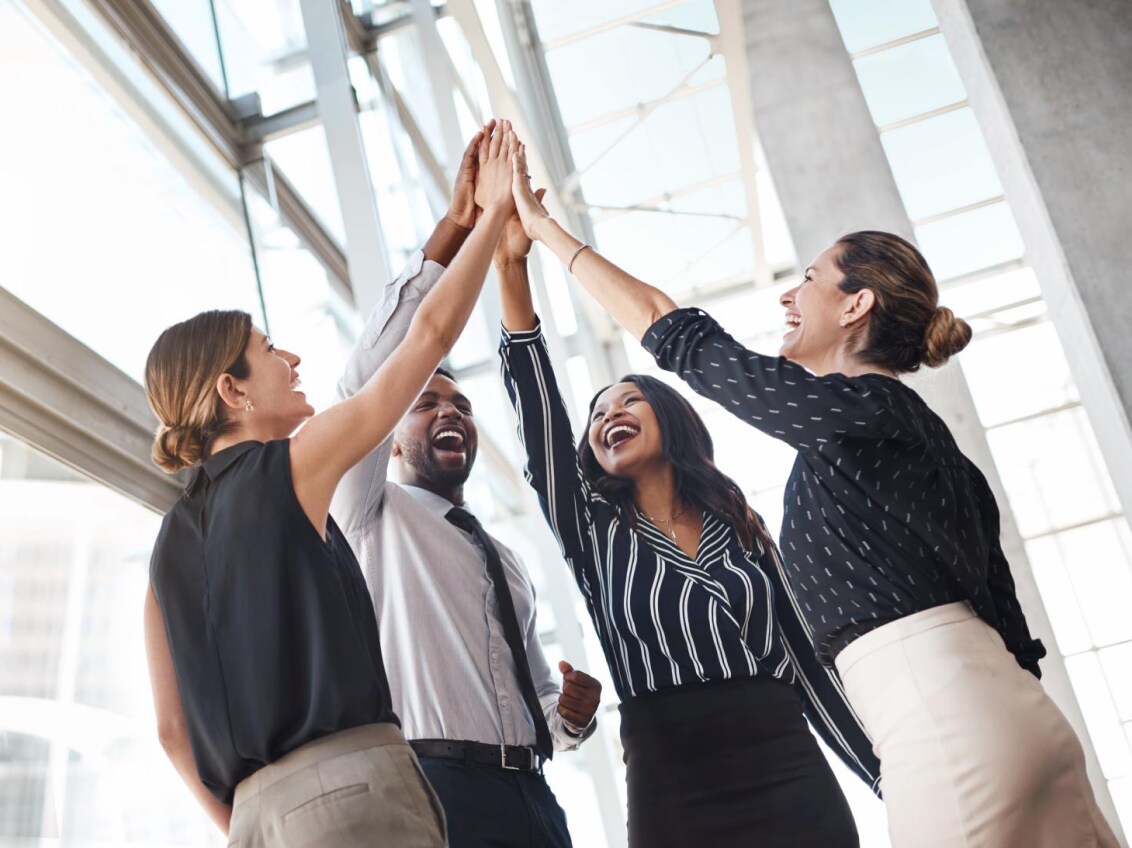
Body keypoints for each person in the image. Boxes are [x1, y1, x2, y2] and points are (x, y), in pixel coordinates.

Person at [507, 147, 1119, 848]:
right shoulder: (925, 446)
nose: (788, 297)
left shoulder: (855, 414)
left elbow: (675, 332)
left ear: (856, 305)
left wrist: (543, 231)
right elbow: (1008, 626)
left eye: (808, 280)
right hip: (1019, 718)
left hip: (942, 722)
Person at [141, 121, 519, 846]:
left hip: (257, 820)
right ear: (233, 391)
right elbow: (427, 342)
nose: (291, 357)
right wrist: (497, 213)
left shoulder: (164, 548)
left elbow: (170, 731)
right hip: (353, 787)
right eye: (267, 350)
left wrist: (254, 819)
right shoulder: (290, 467)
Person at [496, 150, 877, 848]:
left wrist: (891, 775)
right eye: (597, 412)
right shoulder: (592, 530)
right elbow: (537, 409)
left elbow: (807, 662)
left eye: (629, 397)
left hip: (787, 761)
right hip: (672, 779)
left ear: (669, 419)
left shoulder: (743, 527)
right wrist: (512, 266)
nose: (609, 412)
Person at [330, 121, 601, 848]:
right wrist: (459, 227)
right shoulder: (366, 513)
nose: (448, 411)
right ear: (388, 438)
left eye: (462, 407)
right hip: (435, 791)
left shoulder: (501, 559)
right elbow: (369, 377)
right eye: (426, 404)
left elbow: (537, 698)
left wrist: (571, 714)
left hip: (534, 799)